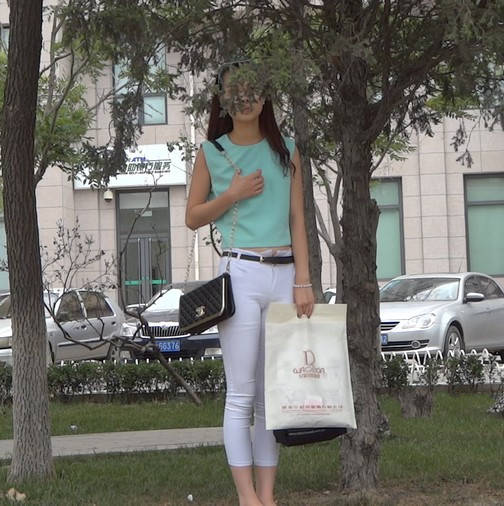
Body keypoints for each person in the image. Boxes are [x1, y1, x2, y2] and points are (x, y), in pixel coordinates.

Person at [185, 62, 315, 506]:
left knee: (268, 398)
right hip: (241, 274)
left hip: (285, 276)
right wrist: (231, 196)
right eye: (234, 91)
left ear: (265, 98)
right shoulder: (212, 152)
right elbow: (192, 217)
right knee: (241, 394)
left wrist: (304, 280)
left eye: (252, 90)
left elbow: (297, 219)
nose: (244, 98)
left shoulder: (287, 151)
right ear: (222, 100)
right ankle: (247, 498)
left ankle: (267, 496)